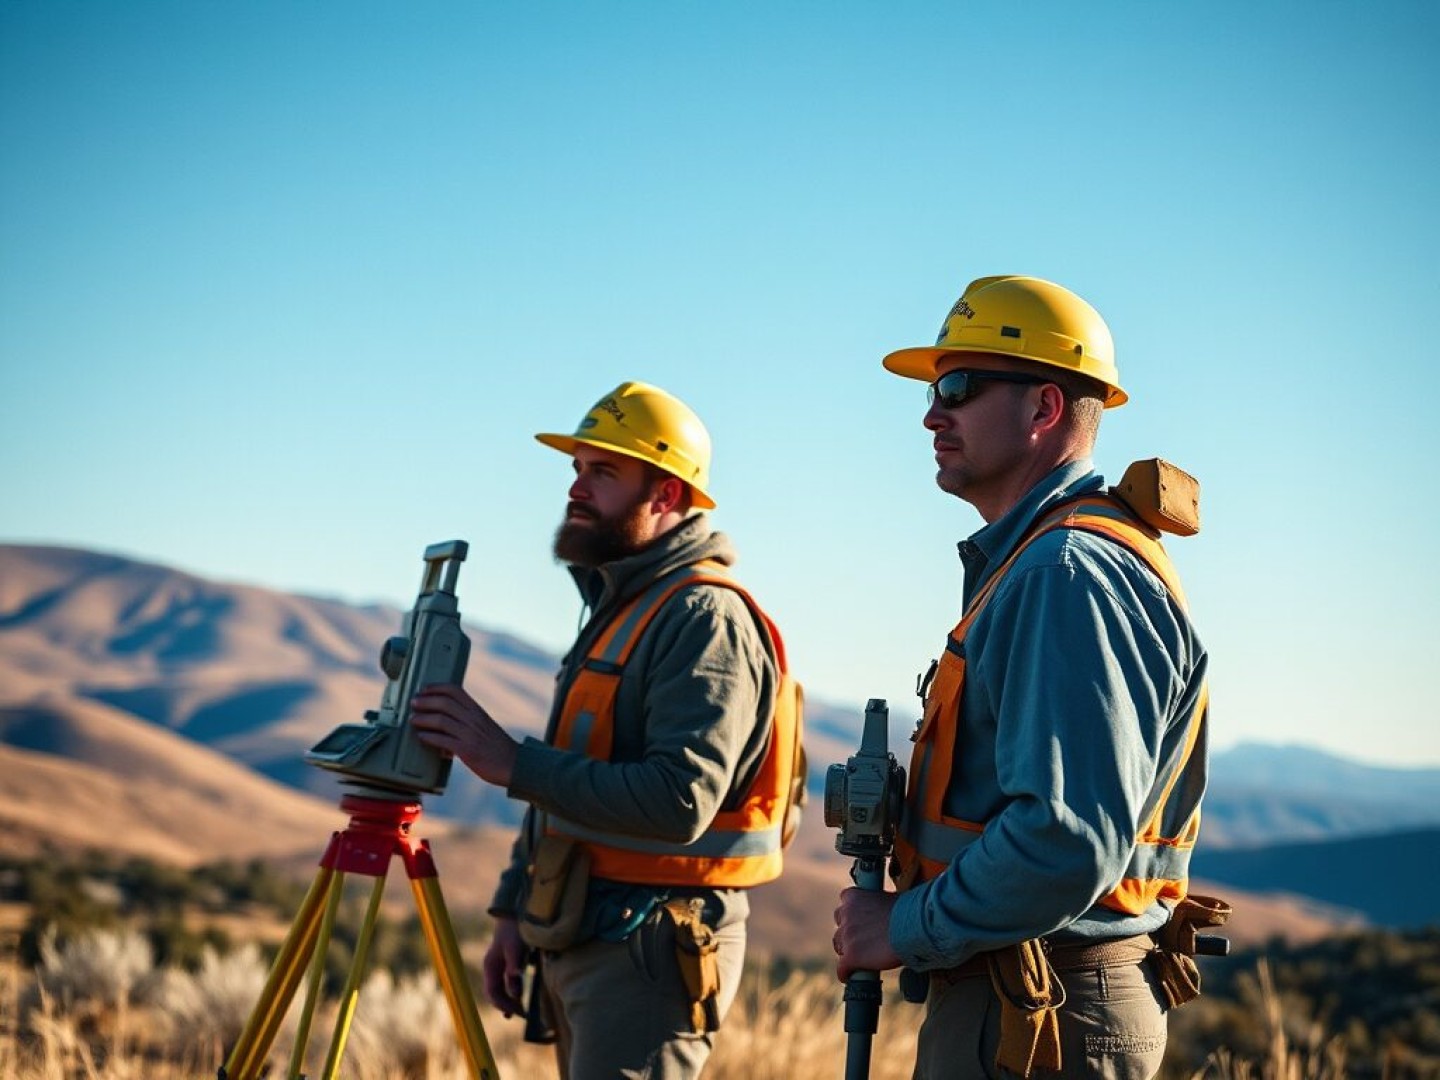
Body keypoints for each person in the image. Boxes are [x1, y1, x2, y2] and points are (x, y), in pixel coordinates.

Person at [833, 276, 1221, 1079]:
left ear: (1045, 409)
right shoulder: (1042, 561)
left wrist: (901, 928)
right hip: (1029, 1002)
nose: (932, 413)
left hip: (1043, 1016)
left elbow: (1067, 840)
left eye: (957, 387)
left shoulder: (1064, 573)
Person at [409, 380, 802, 1080]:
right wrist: (513, 908)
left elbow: (680, 799)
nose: (577, 489)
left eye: (604, 472)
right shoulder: (624, 607)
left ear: (667, 496)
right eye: (578, 470)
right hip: (583, 927)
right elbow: (575, 779)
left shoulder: (702, 618)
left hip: (651, 949)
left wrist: (510, 762)